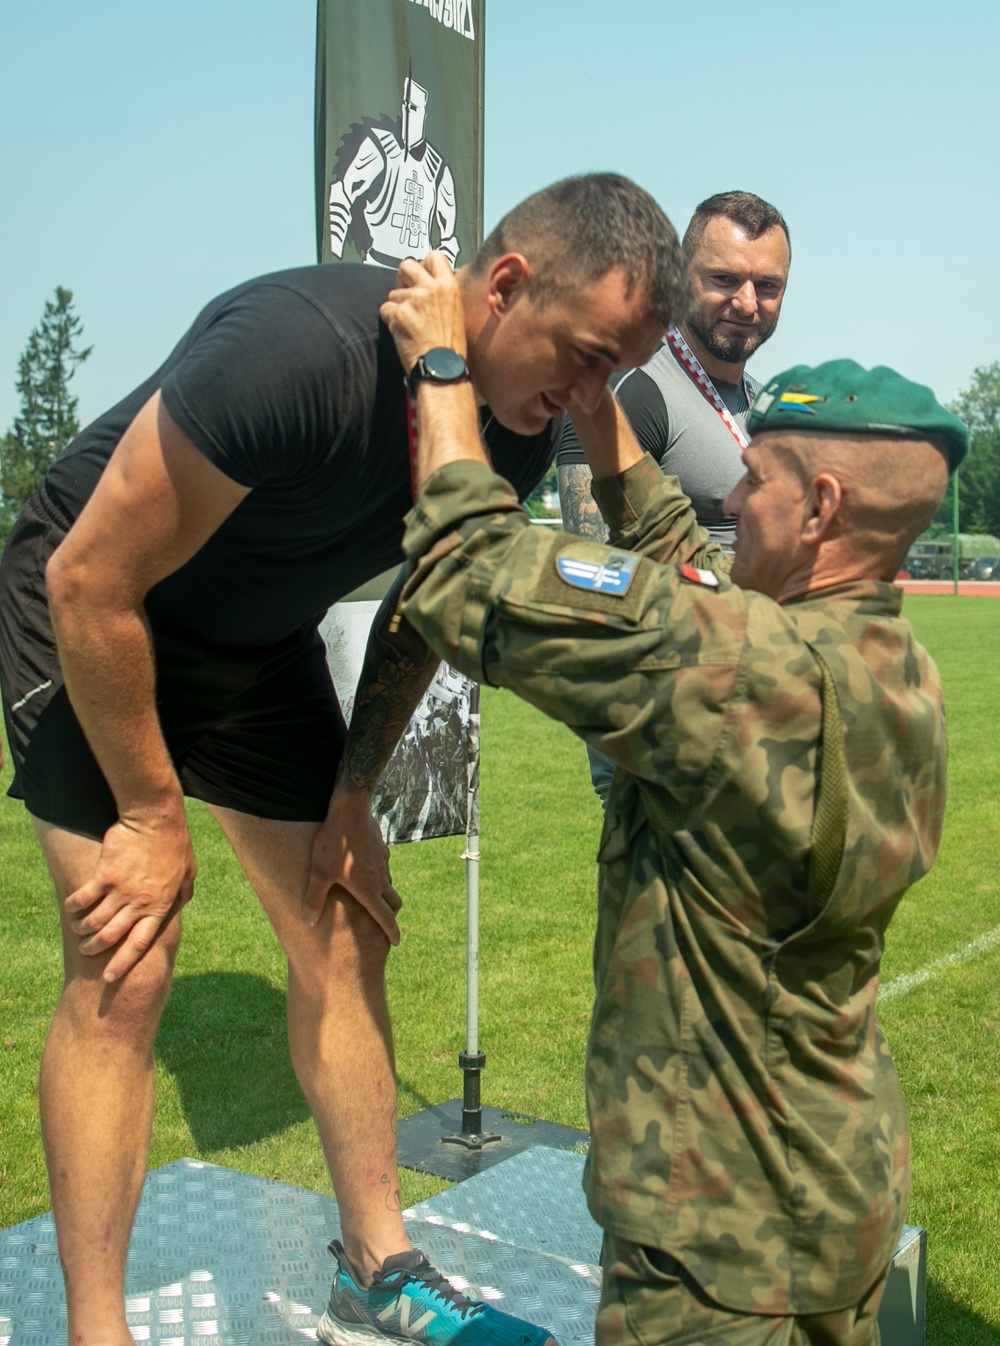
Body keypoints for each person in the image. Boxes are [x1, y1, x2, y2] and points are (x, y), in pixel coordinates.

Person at [0, 174, 689, 1346]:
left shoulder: (497, 434)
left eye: (611, 376)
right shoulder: (297, 354)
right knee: (128, 958)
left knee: (343, 914)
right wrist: (154, 819)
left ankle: (378, 1270)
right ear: (507, 283)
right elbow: (88, 578)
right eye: (579, 357)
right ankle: (96, 1330)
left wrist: (352, 794)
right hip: (93, 616)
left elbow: (425, 610)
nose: (585, 399)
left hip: (252, 646)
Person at [380, 251, 968, 1344]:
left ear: (821, 507)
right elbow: (684, 570)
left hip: (716, 1245)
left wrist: (443, 367)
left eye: (759, 483)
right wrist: (602, 413)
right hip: (835, 1185)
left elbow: (467, 569)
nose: (734, 499)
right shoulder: (893, 666)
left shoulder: (745, 669)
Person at [557, 190, 791, 805]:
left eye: (768, 286)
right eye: (723, 279)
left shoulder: (764, 404)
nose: (747, 302)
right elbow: (588, 570)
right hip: (666, 707)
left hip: (758, 692)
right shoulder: (635, 390)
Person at [329, 76, 460, 269]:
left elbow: (449, 239)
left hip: (418, 277)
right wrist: (334, 261)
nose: (407, 110)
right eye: (405, 104)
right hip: (376, 266)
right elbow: (342, 195)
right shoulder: (379, 147)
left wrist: (440, 282)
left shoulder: (439, 170)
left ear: (424, 114)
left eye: (413, 107)